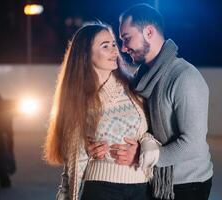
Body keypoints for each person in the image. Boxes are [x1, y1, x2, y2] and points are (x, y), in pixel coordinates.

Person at [88, 4, 213, 200]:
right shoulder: (141, 77)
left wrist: (141, 156)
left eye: (127, 38)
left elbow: (193, 144)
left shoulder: (185, 77)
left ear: (148, 32)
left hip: (187, 184)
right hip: (154, 179)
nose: (123, 48)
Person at [43, 22, 160, 200]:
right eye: (105, 46)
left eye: (113, 44)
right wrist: (86, 149)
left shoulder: (134, 88)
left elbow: (150, 130)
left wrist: (148, 143)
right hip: (100, 188)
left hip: (142, 187)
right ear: (85, 55)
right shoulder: (78, 98)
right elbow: (72, 158)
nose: (114, 50)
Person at [0, 94, 16, 188]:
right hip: (4, 138)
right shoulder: (5, 106)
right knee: (3, 159)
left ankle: (5, 179)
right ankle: (5, 180)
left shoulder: (5, 106)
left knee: (3, 159)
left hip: (3, 139)